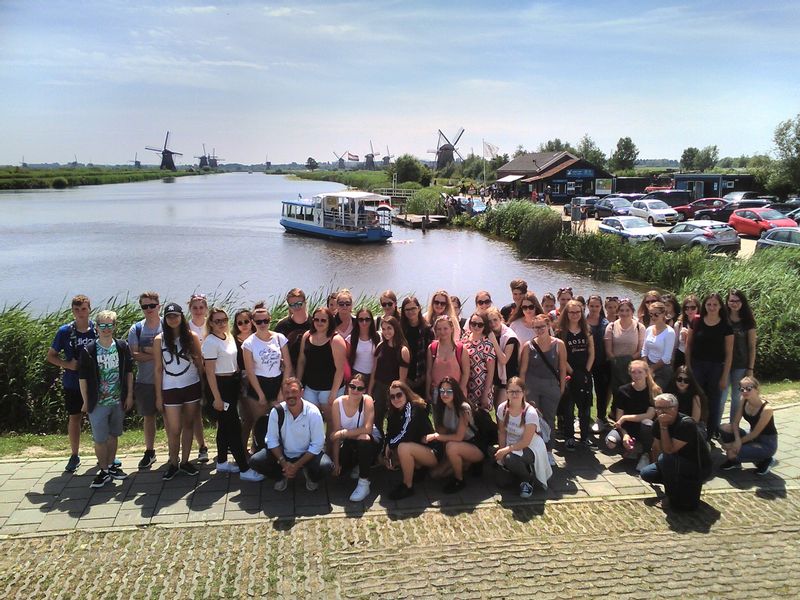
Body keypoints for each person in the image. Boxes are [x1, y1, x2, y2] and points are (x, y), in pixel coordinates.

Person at [202, 306, 263, 482]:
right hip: (220, 387)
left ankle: (221, 462)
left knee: (224, 425)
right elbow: (209, 373)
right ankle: (244, 469)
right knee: (234, 427)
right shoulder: (210, 342)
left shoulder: (227, 337)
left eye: (224, 320)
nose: (221, 323)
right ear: (211, 323)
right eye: (217, 321)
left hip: (232, 384)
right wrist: (217, 398)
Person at [77, 310, 133, 488]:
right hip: (98, 402)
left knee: (113, 435)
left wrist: (129, 395)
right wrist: (86, 401)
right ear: (97, 327)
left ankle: (110, 467)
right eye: (103, 325)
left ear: (114, 326)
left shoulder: (122, 347)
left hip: (118, 401)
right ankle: (102, 470)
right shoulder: (89, 350)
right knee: (100, 439)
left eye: (110, 325)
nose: (106, 329)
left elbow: (129, 372)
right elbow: (83, 378)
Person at [249, 378, 333, 491]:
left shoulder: (313, 412)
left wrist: (297, 465)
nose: (290, 395)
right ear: (283, 394)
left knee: (326, 466)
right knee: (255, 461)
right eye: (287, 393)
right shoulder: (277, 411)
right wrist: (283, 462)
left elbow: (317, 444)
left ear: (302, 392)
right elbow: (271, 440)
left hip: (307, 454)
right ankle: (281, 476)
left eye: (294, 391)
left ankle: (310, 475)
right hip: (284, 454)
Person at [153, 302, 203, 480]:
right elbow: (158, 369)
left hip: (191, 386)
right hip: (170, 388)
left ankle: (185, 461)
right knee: (174, 429)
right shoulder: (159, 340)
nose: (173, 319)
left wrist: (204, 389)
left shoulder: (192, 336)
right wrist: (159, 396)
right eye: (169, 316)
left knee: (189, 425)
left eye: (176, 316)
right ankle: (173, 462)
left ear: (182, 317)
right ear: (165, 319)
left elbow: (199, 363)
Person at [46, 294, 96, 473]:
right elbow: (51, 356)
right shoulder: (65, 331)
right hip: (72, 383)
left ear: (90, 309)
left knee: (98, 417)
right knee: (75, 418)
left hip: (95, 383)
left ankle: (105, 454)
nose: (80, 313)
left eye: (84, 309)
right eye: (77, 310)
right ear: (72, 311)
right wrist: (67, 365)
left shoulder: (97, 329)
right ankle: (74, 455)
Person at [640, 393, 706, 511]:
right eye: (658, 408)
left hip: (695, 465)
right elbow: (656, 447)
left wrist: (664, 427)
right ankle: (675, 484)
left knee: (666, 459)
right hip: (673, 462)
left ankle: (670, 496)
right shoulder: (657, 423)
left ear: (675, 408)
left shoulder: (686, 424)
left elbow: (669, 450)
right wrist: (659, 467)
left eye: (665, 408)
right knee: (647, 473)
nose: (661, 412)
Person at [242, 303, 292, 453]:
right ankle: (260, 455)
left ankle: (281, 454)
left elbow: (288, 365)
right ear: (252, 322)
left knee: (280, 422)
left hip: (277, 383)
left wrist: (282, 391)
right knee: (260, 424)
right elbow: (250, 372)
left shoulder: (279, 338)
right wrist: (261, 394)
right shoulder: (249, 343)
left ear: (270, 320)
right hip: (258, 385)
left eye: (266, 321)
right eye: (259, 322)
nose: (263, 324)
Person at [519, 314, 566, 466]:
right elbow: (523, 371)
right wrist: (522, 391)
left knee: (549, 419)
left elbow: (563, 368)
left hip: (551, 386)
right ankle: (533, 449)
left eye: (542, 327)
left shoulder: (559, 344)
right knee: (533, 419)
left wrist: (561, 388)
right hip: (532, 387)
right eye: (536, 327)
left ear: (549, 326)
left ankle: (548, 451)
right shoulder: (528, 346)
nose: (539, 330)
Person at [685, 293, 733, 440]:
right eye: (709, 304)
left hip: (716, 368)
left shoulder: (726, 325)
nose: (711, 307)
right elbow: (688, 345)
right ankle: (693, 431)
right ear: (704, 306)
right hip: (697, 365)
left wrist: (725, 376)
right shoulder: (697, 321)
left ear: (720, 306)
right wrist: (688, 366)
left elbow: (729, 353)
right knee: (696, 398)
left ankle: (709, 434)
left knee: (714, 401)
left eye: (715, 304)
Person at [494, 377, 552, 498]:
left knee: (510, 459)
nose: (514, 394)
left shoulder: (530, 413)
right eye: (511, 391)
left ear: (523, 392)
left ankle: (528, 479)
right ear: (507, 392)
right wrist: (501, 450)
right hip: (512, 443)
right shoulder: (502, 408)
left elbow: (526, 441)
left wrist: (506, 451)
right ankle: (517, 472)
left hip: (531, 446)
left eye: (518, 391)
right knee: (501, 479)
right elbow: (502, 432)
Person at [329, 374, 382, 501]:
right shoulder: (338, 403)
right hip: (350, 442)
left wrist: (343, 433)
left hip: (370, 440)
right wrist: (336, 463)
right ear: (347, 387)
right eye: (352, 386)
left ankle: (364, 483)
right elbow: (335, 435)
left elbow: (367, 429)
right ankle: (358, 465)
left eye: (360, 388)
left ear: (364, 390)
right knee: (340, 472)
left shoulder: (367, 400)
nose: (355, 390)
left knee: (363, 438)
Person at [428, 377, 485, 493]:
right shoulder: (443, 407)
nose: (445, 394)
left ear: (455, 391)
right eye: (442, 391)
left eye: (449, 391)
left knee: (451, 446)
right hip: (457, 445)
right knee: (435, 474)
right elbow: (443, 431)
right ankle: (465, 464)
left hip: (474, 445)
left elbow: (458, 437)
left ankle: (459, 480)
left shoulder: (463, 408)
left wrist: (436, 436)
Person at [127, 291, 163, 470]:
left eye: (152, 305)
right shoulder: (136, 328)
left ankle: (176, 453)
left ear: (159, 305)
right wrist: (157, 353)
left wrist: (146, 350)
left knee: (174, 418)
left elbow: (172, 351)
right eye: (145, 306)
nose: (148, 309)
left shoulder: (168, 324)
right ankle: (149, 451)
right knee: (149, 417)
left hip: (169, 381)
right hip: (145, 381)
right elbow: (134, 354)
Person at [384, 380, 435, 500]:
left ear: (406, 394)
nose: (396, 399)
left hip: (432, 451)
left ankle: (407, 486)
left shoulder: (414, 408)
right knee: (385, 457)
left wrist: (390, 445)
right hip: (417, 449)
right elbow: (390, 433)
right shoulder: (394, 412)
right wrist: (387, 447)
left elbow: (406, 434)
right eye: (392, 396)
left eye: (399, 395)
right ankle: (419, 469)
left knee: (403, 447)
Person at [605, 360, 660, 472]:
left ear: (646, 373)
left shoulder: (654, 391)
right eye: (633, 372)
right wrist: (625, 435)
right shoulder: (623, 390)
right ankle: (630, 448)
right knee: (610, 442)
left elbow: (649, 415)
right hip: (626, 428)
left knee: (647, 423)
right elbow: (618, 418)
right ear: (629, 373)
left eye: (640, 372)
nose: (636, 375)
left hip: (645, 428)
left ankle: (645, 453)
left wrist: (625, 418)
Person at [297, 307, 347, 422]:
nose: (319, 323)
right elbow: (301, 361)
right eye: (316, 319)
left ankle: (331, 441)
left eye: (323, 320)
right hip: (310, 387)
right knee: (310, 419)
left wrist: (333, 393)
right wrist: (298, 383)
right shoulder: (307, 336)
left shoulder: (336, 340)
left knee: (331, 421)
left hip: (329, 389)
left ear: (329, 322)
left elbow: (340, 369)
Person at [720, 376, 777, 475]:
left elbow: (755, 433)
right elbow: (735, 422)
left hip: (766, 443)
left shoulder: (767, 409)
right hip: (751, 436)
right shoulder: (744, 400)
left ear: (757, 389)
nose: (745, 391)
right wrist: (737, 440)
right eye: (742, 389)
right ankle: (737, 460)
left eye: (749, 388)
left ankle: (765, 459)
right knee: (724, 427)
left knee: (731, 453)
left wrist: (732, 445)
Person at [557, 299, 595, 449]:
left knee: (585, 406)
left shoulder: (587, 330)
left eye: (577, 312)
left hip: (585, 373)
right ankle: (569, 437)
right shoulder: (561, 332)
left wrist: (586, 372)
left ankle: (585, 437)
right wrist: (573, 373)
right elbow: (562, 356)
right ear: (566, 313)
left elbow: (592, 353)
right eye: (571, 312)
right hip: (569, 374)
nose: (574, 315)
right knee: (569, 406)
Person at [368, 315, 410, 432]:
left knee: (393, 418)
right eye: (384, 329)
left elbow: (402, 380)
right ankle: (378, 442)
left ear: (395, 328)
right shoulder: (380, 346)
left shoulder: (403, 350)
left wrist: (398, 395)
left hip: (394, 390)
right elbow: (374, 371)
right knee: (377, 418)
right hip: (379, 387)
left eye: (389, 328)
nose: (386, 332)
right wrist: (370, 391)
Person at [723, 290, 757, 423]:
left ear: (742, 302)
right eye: (731, 300)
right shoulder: (723, 319)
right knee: (721, 396)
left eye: (737, 301)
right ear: (727, 302)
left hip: (740, 365)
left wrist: (750, 368)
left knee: (737, 397)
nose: (734, 303)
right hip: (723, 363)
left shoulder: (748, 321)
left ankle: (733, 426)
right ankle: (715, 428)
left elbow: (751, 347)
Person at [604, 298, 646, 402]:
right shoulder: (611, 326)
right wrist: (617, 362)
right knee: (616, 391)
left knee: (631, 391)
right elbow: (608, 350)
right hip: (615, 365)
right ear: (618, 312)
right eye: (621, 310)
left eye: (627, 310)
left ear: (632, 311)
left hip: (633, 364)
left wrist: (629, 361)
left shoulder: (639, 327)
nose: (624, 313)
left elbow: (640, 350)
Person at [186, 294, 209, 463]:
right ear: (190, 309)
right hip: (193, 373)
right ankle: (202, 446)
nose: (198, 311)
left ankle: (225, 442)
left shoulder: (213, 324)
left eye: (201, 307)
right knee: (196, 412)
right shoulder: (186, 328)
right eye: (195, 307)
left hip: (214, 372)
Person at [232, 307, 256, 451]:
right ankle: (241, 450)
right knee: (247, 418)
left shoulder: (259, 337)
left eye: (246, 321)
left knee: (259, 417)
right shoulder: (232, 340)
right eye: (240, 322)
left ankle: (256, 447)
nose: (244, 324)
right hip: (242, 381)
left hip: (260, 377)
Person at [586, 294, 610, 433]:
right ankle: (583, 417)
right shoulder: (582, 321)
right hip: (586, 362)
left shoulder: (606, 323)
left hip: (602, 363)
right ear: (588, 306)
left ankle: (601, 418)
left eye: (597, 306)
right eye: (591, 306)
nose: (594, 308)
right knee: (586, 392)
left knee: (601, 391)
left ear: (601, 307)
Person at [399, 296, 433, 396]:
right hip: (404, 377)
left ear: (419, 308)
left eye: (413, 308)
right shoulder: (401, 329)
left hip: (421, 377)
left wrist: (423, 378)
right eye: (407, 309)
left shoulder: (427, 330)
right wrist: (404, 378)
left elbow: (430, 356)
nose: (410, 312)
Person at [487, 307, 519, 409]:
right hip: (495, 378)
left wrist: (493, 341)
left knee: (501, 409)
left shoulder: (509, 337)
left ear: (501, 319)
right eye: (490, 321)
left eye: (495, 320)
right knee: (496, 410)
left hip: (507, 379)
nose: (493, 324)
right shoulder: (489, 335)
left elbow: (504, 360)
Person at [463, 312, 497, 410]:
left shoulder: (487, 344)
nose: (476, 327)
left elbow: (491, 372)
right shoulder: (464, 338)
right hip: (466, 384)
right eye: (474, 323)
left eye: (480, 324)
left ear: (484, 326)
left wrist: (485, 393)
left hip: (481, 387)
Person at [274, 288, 312, 373]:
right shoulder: (282, 326)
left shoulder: (315, 323)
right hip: (289, 372)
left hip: (311, 371)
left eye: (299, 304)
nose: (296, 307)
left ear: (305, 303)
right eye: (292, 305)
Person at [641, 301, 676, 391]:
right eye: (651, 314)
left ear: (663, 313)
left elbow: (666, 357)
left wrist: (651, 369)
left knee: (655, 395)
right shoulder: (649, 329)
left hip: (662, 369)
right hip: (647, 365)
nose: (653, 317)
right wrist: (646, 367)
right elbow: (644, 350)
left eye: (656, 314)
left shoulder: (670, 332)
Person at [665, 365, 706, 430]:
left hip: (690, 427)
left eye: (686, 380)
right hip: (673, 424)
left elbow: (695, 420)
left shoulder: (695, 397)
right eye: (679, 379)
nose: (682, 382)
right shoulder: (670, 394)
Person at [348, 306, 380, 382]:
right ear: (357, 321)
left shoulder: (378, 337)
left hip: (374, 376)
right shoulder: (351, 338)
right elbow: (347, 358)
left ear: (371, 320)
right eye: (361, 320)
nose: (364, 322)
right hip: (356, 375)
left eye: (367, 319)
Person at [674, 295, 700, 369]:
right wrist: (672, 359)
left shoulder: (703, 323)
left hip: (696, 357)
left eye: (693, 308)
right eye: (686, 308)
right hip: (680, 355)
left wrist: (689, 336)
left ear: (698, 308)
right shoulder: (679, 324)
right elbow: (675, 345)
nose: (689, 310)